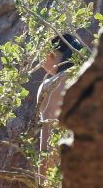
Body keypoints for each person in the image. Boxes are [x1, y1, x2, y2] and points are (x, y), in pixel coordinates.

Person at [36, 33, 83, 178]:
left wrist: (43, 181)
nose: (42, 67)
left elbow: (47, 142)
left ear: (50, 54)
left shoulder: (47, 87)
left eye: (40, 61)